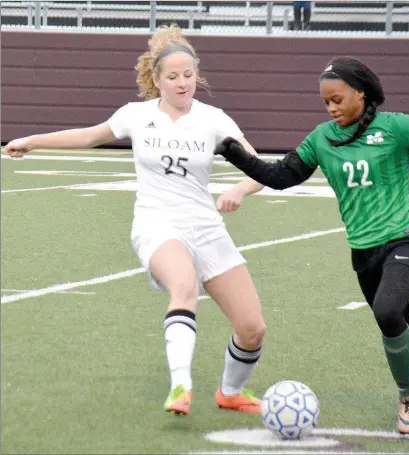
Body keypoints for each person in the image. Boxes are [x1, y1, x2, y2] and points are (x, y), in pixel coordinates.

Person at [4, 24, 267, 416]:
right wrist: (32, 140)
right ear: (156, 80)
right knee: (184, 286)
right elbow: (89, 136)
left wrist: (238, 191)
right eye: (173, 77)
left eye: (189, 75)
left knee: (252, 328)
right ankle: (181, 384)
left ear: (198, 74)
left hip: (207, 228)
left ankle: (230, 392)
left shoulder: (215, 120)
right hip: (156, 224)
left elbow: (258, 168)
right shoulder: (136, 115)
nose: (183, 84)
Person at [214, 56, 409, 435]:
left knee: (387, 310)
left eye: (338, 99)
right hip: (364, 252)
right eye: (326, 102)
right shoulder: (321, 138)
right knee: (403, 322)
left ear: (361, 93)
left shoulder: (395, 126)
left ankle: (408, 400)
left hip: (408, 238)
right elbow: (281, 177)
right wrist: (236, 154)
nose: (331, 108)